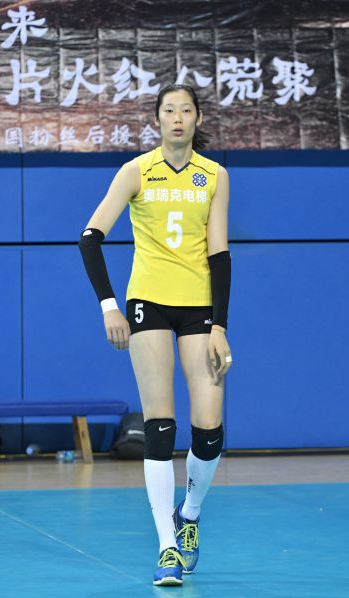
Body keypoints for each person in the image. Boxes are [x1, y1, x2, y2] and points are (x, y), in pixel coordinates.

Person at [79, 83, 232, 586]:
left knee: (209, 430)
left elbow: (219, 254)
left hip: (199, 306)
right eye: (169, 110)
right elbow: (90, 238)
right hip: (148, 302)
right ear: (157, 119)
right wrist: (109, 306)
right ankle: (167, 547)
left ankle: (190, 513)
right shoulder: (136, 170)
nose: (177, 118)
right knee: (161, 425)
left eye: (186, 110)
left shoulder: (214, 175)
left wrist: (220, 326)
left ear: (198, 118)